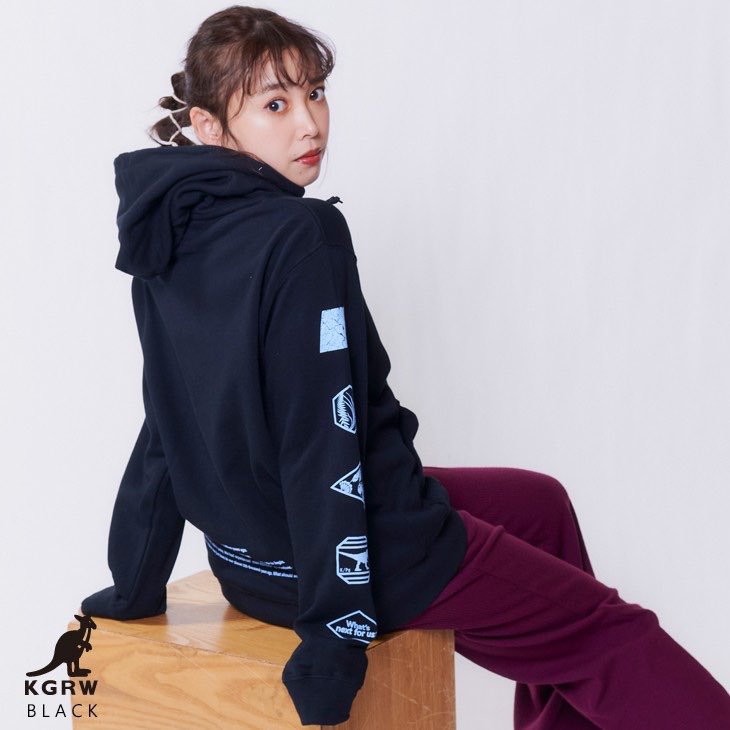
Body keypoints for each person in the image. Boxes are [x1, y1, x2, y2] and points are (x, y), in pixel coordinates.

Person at [80, 5, 730, 728]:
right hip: (358, 556)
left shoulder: (168, 236)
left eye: (315, 93)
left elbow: (169, 419)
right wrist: (335, 636)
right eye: (275, 105)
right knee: (613, 636)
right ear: (209, 125)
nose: (310, 124)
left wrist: (134, 581)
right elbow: (320, 440)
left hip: (252, 565)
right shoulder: (303, 234)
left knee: (540, 505)